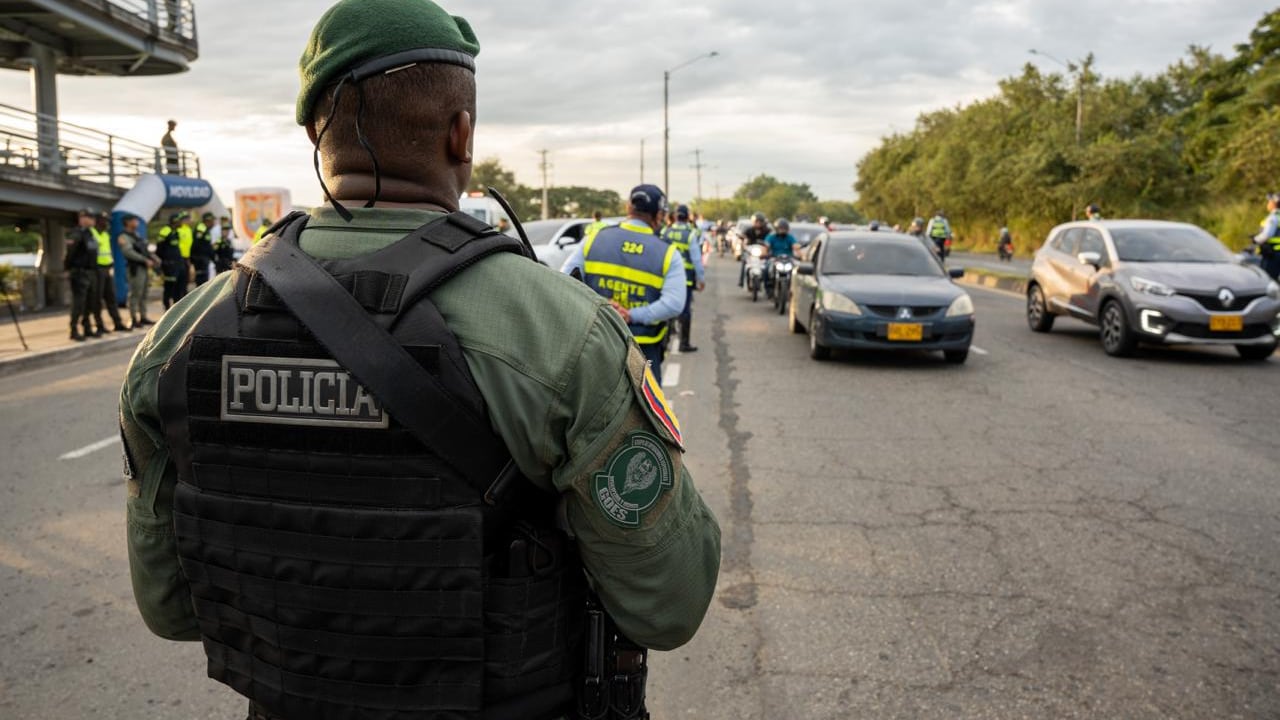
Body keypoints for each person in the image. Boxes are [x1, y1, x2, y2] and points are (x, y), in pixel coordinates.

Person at [120, 5, 720, 720]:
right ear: (461, 133)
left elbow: (170, 607)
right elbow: (668, 604)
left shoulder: (180, 337)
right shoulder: (563, 332)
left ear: (317, 130)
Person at [562, 184, 686, 385]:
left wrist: (605, 309)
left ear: (629, 208)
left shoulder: (594, 239)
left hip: (596, 341)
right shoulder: (668, 253)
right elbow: (674, 304)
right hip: (643, 349)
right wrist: (631, 315)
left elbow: (565, 281)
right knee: (646, 412)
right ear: (658, 215)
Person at [660, 204, 706, 352]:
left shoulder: (665, 231)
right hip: (685, 278)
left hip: (665, 277)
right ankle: (684, 343)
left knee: (666, 305)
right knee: (685, 310)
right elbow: (697, 259)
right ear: (687, 217)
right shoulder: (690, 234)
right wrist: (701, 278)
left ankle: (666, 337)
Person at [64, 209, 100, 341]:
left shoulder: (90, 234)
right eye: (89, 217)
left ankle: (87, 328)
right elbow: (70, 253)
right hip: (79, 272)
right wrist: (67, 269)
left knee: (90, 303)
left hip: (90, 272)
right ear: (82, 219)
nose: (92, 220)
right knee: (78, 303)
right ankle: (73, 330)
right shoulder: (76, 234)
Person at [117, 214, 159, 327]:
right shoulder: (123, 237)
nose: (137, 222)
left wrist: (154, 259)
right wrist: (144, 260)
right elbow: (128, 252)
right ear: (127, 222)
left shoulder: (136, 235)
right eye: (134, 220)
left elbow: (145, 249)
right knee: (135, 294)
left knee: (144, 294)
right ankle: (133, 319)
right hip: (135, 269)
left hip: (144, 268)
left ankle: (143, 317)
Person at [92, 212, 128, 331]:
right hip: (97, 269)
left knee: (111, 297)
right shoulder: (92, 233)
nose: (107, 223)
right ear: (98, 221)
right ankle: (99, 325)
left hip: (107, 268)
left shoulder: (106, 235)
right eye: (104, 221)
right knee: (97, 299)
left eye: (108, 221)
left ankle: (117, 323)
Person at [155, 213, 188, 308]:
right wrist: (164, 262)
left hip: (177, 264)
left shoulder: (175, 232)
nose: (181, 223)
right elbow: (159, 249)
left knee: (178, 288)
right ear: (175, 222)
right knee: (169, 287)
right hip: (169, 265)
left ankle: (176, 308)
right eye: (179, 221)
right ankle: (167, 308)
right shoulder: (166, 231)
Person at [763, 218, 797, 297]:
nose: (783, 231)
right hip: (774, 258)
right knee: (766, 269)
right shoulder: (771, 237)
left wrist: (800, 254)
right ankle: (768, 288)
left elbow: (795, 246)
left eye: (784, 229)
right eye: (781, 229)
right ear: (776, 229)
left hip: (788, 259)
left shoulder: (790, 237)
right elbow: (766, 246)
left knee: (796, 271)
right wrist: (765, 252)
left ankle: (793, 289)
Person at [739, 211, 771, 286]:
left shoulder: (767, 231)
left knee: (768, 265)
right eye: (756, 221)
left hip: (763, 252)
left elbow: (771, 239)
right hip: (751, 251)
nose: (758, 223)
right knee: (744, 262)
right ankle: (741, 281)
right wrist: (744, 243)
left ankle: (768, 284)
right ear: (753, 222)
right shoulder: (749, 230)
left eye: (760, 222)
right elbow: (743, 237)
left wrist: (768, 247)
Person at [1254, 192, 1280, 280]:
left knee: (1268, 280)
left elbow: (1267, 235)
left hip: (1273, 254)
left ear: (1275, 203)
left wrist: (1255, 239)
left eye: (1270, 201)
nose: (1268, 203)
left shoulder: (1273, 217)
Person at [190, 213, 216, 286]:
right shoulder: (201, 227)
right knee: (201, 279)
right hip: (200, 258)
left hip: (204, 258)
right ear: (208, 220)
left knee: (204, 279)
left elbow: (207, 245)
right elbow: (197, 243)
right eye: (212, 221)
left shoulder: (206, 229)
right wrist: (196, 257)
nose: (213, 223)